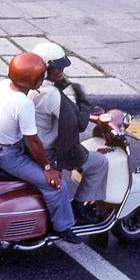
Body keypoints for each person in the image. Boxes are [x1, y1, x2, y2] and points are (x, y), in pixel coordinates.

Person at [0, 52, 80, 243]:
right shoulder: (24, 103)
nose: (43, 78)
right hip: (9, 154)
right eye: (40, 76)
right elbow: (33, 141)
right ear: (32, 80)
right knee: (56, 185)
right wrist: (48, 169)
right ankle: (64, 226)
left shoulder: (1, 86)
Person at [30, 42, 109, 223]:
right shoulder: (52, 95)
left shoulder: (29, 85)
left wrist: (60, 82)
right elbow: (78, 124)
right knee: (99, 163)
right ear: (45, 68)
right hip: (50, 152)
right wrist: (83, 101)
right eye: (57, 68)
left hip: (30, 146)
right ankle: (80, 206)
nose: (62, 71)